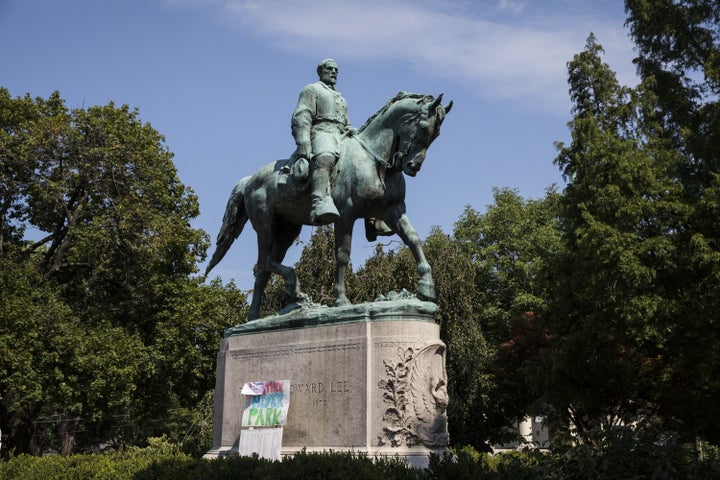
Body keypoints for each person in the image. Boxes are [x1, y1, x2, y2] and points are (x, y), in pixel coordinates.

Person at [291, 58, 353, 225]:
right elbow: (302, 116)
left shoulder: (339, 96)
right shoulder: (312, 89)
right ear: (320, 71)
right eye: (330, 68)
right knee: (326, 156)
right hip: (322, 132)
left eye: (336, 70)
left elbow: (345, 121)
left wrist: (352, 129)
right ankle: (318, 202)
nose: (334, 72)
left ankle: (373, 217)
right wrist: (303, 141)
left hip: (341, 135)